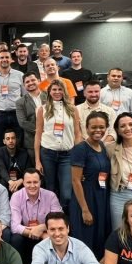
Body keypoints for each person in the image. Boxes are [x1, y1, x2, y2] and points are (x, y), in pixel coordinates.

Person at [35, 79, 83, 211]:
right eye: (54, 89)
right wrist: (37, 161)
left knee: (66, 193)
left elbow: (77, 133)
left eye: (60, 89)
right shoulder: (42, 109)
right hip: (48, 154)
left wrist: (77, 155)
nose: (57, 92)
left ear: (64, 91)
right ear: (49, 92)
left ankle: (63, 217)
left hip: (67, 155)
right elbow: (38, 134)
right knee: (50, 189)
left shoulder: (73, 109)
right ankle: (51, 217)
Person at [70, 111, 112, 258]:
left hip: (102, 196)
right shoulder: (80, 148)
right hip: (86, 198)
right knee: (86, 239)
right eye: (93, 127)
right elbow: (75, 180)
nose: (98, 130)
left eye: (101, 127)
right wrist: (85, 210)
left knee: (100, 237)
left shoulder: (102, 146)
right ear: (86, 128)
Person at [9, 168, 62, 264]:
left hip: (46, 233)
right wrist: (38, 233)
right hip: (26, 234)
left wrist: (42, 228)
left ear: (40, 182)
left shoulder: (51, 196)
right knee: (16, 239)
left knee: (56, 235)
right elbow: (15, 226)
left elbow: (59, 220)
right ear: (23, 183)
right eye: (28, 182)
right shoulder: (16, 196)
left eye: (35, 182)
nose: (32, 185)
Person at [0, 49, 25, 148]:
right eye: (2, 57)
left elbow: (24, 95)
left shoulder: (20, 75)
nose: (4, 59)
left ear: (11, 59)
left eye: (6, 57)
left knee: (18, 141)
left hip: (16, 113)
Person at [15, 71, 46, 162]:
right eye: (27, 82)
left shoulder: (49, 96)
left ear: (39, 81)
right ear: (24, 85)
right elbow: (22, 122)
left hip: (51, 139)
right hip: (31, 141)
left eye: (33, 80)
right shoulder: (20, 102)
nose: (30, 83)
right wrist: (40, 131)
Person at [0, 129, 31, 196]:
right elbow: (1, 169)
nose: (11, 141)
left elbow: (28, 170)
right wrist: (10, 182)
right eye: (8, 139)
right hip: (6, 180)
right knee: (1, 185)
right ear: (4, 141)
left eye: (13, 138)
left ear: (16, 140)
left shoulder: (24, 153)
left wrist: (21, 180)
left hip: (20, 179)